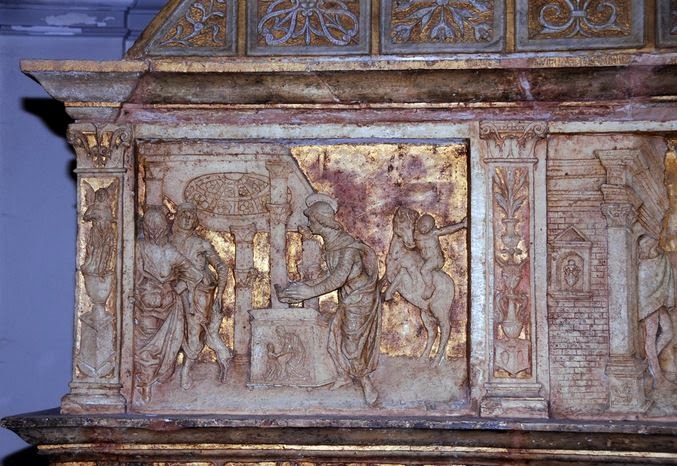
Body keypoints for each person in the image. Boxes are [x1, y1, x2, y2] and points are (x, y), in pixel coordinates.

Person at [277, 196, 382, 406]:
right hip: (348, 296)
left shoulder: (348, 247)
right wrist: (300, 289)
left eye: (311, 220)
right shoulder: (332, 244)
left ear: (321, 221)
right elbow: (330, 274)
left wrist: (309, 292)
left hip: (360, 298)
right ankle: (343, 376)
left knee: (352, 342)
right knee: (335, 337)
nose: (309, 224)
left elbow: (338, 278)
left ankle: (365, 381)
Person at [134, 206, 202, 403]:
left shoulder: (148, 249)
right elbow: (195, 274)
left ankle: (148, 384)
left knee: (154, 347)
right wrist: (177, 286)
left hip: (159, 306)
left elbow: (195, 274)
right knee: (152, 346)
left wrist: (177, 287)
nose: (155, 231)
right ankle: (146, 384)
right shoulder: (149, 249)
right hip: (151, 306)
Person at [171, 202, 232, 388]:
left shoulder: (201, 243)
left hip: (199, 293)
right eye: (184, 215)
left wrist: (219, 295)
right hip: (173, 292)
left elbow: (221, 267)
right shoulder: (168, 241)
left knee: (194, 332)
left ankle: (186, 370)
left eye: (191, 216)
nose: (187, 219)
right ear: (177, 217)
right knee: (174, 330)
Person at [638, 234, 676, 389]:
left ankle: (649, 363)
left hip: (659, 302)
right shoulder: (641, 263)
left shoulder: (662, 259)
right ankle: (658, 377)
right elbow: (643, 285)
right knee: (651, 336)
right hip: (648, 303)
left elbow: (665, 279)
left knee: (668, 332)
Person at [414, 213, 466, 299]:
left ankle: (429, 287)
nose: (424, 228)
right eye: (422, 224)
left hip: (436, 259)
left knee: (424, 270)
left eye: (427, 227)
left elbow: (448, 230)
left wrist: (462, 224)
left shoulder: (433, 233)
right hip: (426, 259)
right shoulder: (415, 234)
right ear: (418, 222)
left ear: (431, 228)